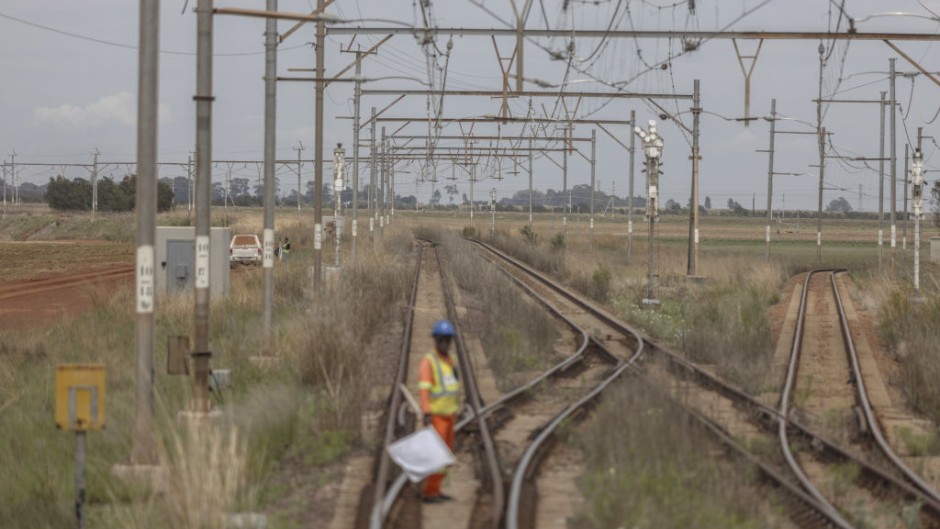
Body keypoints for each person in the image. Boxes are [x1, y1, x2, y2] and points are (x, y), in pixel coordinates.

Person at [417, 319, 460, 504]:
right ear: (436, 340)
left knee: (445, 457)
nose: (444, 343)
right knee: (436, 457)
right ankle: (430, 492)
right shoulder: (429, 361)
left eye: (447, 340)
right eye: (441, 340)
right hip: (436, 418)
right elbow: (424, 390)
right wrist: (426, 412)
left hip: (450, 416)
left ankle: (436, 489)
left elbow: (452, 387)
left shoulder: (450, 361)